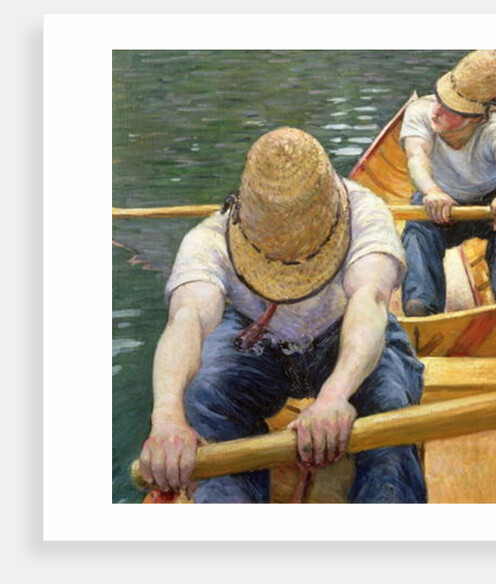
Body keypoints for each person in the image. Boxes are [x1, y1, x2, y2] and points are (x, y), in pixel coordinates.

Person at [137, 127, 427, 504]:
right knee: (204, 393)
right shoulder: (209, 238)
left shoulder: (365, 209)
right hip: (260, 345)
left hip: (346, 333)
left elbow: (370, 299)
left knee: (389, 405)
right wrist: (166, 418)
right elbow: (186, 321)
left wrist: (335, 395)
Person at [400, 50, 496, 317]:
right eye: (439, 101)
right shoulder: (420, 113)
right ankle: (420, 305)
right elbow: (416, 157)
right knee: (417, 232)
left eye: (450, 110)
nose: (436, 111)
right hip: (439, 199)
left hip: (489, 203)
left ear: (477, 118)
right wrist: (432, 191)